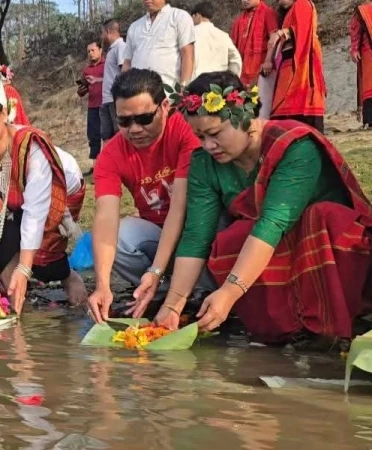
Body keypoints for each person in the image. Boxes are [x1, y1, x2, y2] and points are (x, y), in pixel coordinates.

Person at [154, 71, 372, 343]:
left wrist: (230, 292)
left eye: (214, 133)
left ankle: (333, 327)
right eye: (200, 137)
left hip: (326, 243)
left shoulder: (295, 145)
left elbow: (272, 223)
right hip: (269, 242)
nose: (208, 145)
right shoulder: (204, 163)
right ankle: (283, 330)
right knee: (231, 240)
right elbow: (197, 236)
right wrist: (172, 306)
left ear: (245, 117)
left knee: (319, 218)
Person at [0, 65, 89, 315]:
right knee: (2, 243)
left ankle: (68, 275)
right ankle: (15, 298)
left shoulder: (31, 148)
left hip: (61, 191)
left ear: (4, 114)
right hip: (14, 198)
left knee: (42, 256)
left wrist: (24, 270)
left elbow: (36, 215)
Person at [88, 69, 202, 323]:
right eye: (124, 121)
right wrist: (102, 285)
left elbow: (180, 207)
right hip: (158, 233)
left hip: (198, 229)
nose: (135, 129)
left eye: (144, 119)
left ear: (164, 106)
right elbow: (105, 217)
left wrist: (157, 269)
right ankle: (156, 293)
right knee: (117, 235)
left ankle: (193, 291)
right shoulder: (110, 154)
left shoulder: (185, 131)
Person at [264, 0, 326, 132]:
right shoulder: (286, 13)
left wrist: (281, 33)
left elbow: (303, 28)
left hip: (304, 58)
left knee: (302, 96)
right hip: (289, 60)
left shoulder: (302, 3)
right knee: (284, 101)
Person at [122, 0, 196, 88]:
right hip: (136, 94)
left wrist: (184, 89)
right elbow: (127, 62)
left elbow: (187, 55)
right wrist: (122, 90)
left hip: (169, 93)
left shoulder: (179, 17)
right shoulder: (134, 26)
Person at [231, 0, 279, 86]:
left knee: (261, 98)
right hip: (243, 69)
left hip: (263, 68)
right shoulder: (239, 19)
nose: (245, 1)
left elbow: (274, 37)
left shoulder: (268, 13)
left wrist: (268, 61)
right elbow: (234, 46)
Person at [190, 2, 243, 80]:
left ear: (198, 15)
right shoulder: (223, 35)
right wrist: (231, 79)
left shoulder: (191, 34)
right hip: (218, 82)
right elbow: (236, 59)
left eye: (193, 17)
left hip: (196, 81)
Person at [100, 19, 128, 152]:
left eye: (102, 33)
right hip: (106, 99)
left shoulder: (121, 47)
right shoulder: (111, 50)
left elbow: (125, 72)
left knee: (119, 134)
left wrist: (120, 95)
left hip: (115, 99)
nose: (101, 37)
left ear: (108, 31)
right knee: (106, 135)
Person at [78, 42, 106, 171]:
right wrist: (81, 90)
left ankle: (107, 165)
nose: (90, 53)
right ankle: (96, 165)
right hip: (92, 106)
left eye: (93, 50)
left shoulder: (107, 66)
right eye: (88, 51)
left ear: (100, 50)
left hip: (106, 105)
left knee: (107, 135)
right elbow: (83, 91)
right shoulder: (86, 70)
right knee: (93, 136)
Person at [351, 0, 372, 129]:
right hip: (368, 52)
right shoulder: (362, 10)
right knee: (370, 87)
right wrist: (354, 49)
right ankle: (370, 120)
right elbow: (355, 29)